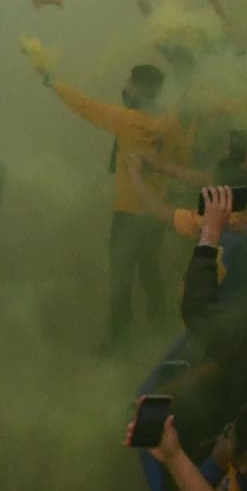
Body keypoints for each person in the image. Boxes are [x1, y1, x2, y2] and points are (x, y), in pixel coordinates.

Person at [36, 60, 187, 352]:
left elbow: (83, 106)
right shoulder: (172, 124)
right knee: (150, 271)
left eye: (130, 82)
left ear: (140, 88)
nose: (126, 86)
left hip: (128, 214)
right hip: (157, 213)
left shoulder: (125, 120)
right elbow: (182, 163)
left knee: (121, 275)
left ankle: (120, 340)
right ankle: (160, 334)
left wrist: (53, 82)